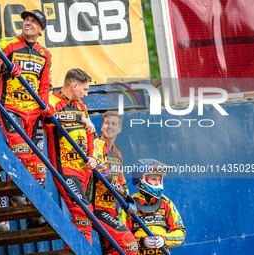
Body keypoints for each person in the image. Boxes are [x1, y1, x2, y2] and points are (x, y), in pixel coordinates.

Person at [0, 9, 52, 222]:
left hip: (34, 113)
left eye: (34, 22)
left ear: (40, 30)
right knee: (21, 151)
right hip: (11, 108)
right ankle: (15, 193)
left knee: (39, 164)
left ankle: (34, 211)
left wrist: (46, 107)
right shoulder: (8, 43)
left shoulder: (45, 54)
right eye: (26, 20)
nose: (28, 23)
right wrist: (6, 65)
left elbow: (45, 85)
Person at [43, 68, 97, 244]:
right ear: (74, 86)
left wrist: (93, 157)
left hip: (85, 170)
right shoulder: (52, 100)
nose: (86, 94)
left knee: (85, 217)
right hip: (65, 167)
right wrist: (78, 118)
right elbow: (48, 118)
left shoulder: (82, 107)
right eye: (85, 89)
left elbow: (91, 134)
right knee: (83, 210)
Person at [93, 111, 138, 254]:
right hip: (96, 208)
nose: (109, 127)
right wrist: (123, 194)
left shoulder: (118, 153)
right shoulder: (95, 145)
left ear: (119, 129)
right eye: (106, 123)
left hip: (111, 210)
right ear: (101, 126)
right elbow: (104, 174)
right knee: (130, 244)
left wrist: (128, 199)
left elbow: (121, 180)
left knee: (111, 251)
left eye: (114, 124)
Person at [119, 159, 186, 254]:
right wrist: (141, 241)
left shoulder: (166, 203)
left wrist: (164, 240)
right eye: (154, 179)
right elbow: (121, 236)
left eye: (159, 180)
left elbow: (181, 233)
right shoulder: (129, 204)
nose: (157, 183)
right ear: (141, 179)